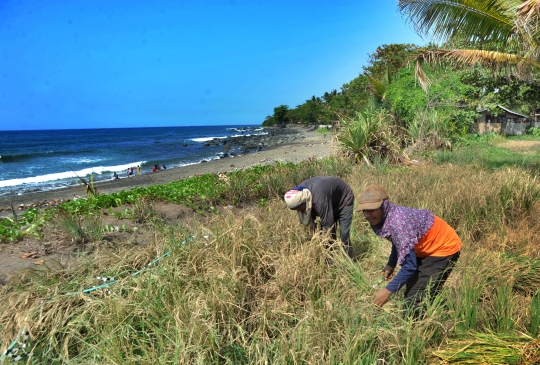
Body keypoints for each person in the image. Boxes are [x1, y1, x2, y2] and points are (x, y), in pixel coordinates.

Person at [357, 185, 462, 315]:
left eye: (371, 210)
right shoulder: (386, 218)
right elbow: (398, 242)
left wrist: (387, 291)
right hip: (423, 247)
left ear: (383, 206)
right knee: (413, 289)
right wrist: (391, 264)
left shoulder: (398, 222)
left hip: (443, 247)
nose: (367, 215)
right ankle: (426, 314)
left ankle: (418, 329)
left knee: (415, 297)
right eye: (364, 211)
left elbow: (410, 266)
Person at [284, 176, 354, 258]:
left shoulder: (319, 201)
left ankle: (349, 260)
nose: (298, 211)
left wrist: (318, 245)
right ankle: (331, 261)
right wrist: (312, 228)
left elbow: (328, 226)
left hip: (343, 200)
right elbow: (310, 217)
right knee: (330, 237)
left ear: (305, 202)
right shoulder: (300, 194)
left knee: (344, 235)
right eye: (295, 210)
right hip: (328, 200)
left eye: (299, 208)